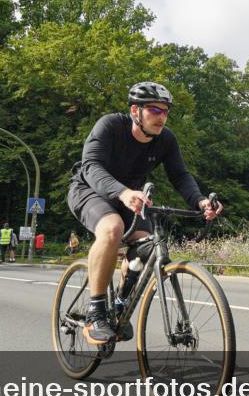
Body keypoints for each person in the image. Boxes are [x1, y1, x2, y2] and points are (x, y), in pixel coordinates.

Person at [67, 81, 221, 345]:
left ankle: (119, 304)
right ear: (135, 111)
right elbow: (91, 166)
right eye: (154, 110)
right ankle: (96, 312)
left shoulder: (166, 140)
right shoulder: (110, 126)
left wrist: (200, 201)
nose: (161, 117)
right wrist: (123, 192)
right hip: (89, 190)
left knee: (147, 247)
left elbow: (180, 175)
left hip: (131, 199)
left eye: (165, 111)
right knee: (112, 228)